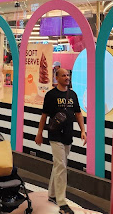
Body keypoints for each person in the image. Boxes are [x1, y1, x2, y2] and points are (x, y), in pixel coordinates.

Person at [35, 68, 86, 214]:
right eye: (63, 75)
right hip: (55, 135)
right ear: (56, 78)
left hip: (68, 135)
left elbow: (78, 114)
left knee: (59, 165)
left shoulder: (73, 95)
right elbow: (44, 116)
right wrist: (39, 133)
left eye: (68, 75)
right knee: (61, 165)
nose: (67, 77)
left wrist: (83, 131)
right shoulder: (51, 95)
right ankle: (62, 202)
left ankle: (52, 194)